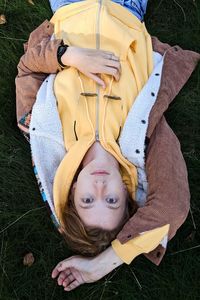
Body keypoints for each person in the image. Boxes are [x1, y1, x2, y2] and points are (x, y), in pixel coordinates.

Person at [15, 0, 199, 292]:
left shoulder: (40, 127)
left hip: (69, 6)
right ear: (126, 194)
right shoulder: (144, 140)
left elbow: (27, 69)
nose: (100, 188)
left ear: (73, 189)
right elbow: (173, 206)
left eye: (88, 200)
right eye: (111, 201)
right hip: (126, 9)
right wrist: (106, 261)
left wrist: (67, 55)